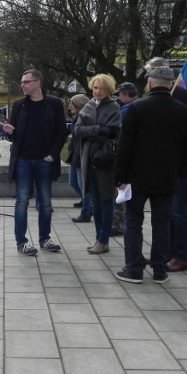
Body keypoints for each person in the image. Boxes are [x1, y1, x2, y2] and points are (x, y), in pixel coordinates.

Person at [113, 66, 187, 284]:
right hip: (167, 177)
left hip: (137, 176)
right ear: (169, 84)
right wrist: (178, 172)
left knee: (133, 223)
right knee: (161, 225)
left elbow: (125, 146)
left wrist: (119, 177)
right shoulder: (181, 110)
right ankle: (160, 270)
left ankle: (134, 269)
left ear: (150, 83)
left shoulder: (136, 108)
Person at [144, 57, 187, 273]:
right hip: (157, 164)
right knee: (163, 213)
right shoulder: (150, 98)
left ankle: (180, 256)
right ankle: (164, 253)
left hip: (177, 165)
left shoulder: (182, 96)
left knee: (178, 212)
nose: (148, 79)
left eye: (150, 74)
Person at [3, 69, 69, 256]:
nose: (22, 85)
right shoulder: (19, 105)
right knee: (22, 201)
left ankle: (45, 239)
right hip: (23, 159)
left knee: (46, 202)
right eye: (22, 82)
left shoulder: (54, 104)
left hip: (44, 160)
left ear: (38, 83)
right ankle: (21, 242)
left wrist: (52, 154)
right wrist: (9, 132)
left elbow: (61, 132)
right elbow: (14, 136)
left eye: (26, 81)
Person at [74, 74, 120, 255]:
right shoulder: (88, 106)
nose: (98, 91)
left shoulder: (114, 107)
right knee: (95, 203)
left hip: (105, 160)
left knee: (106, 201)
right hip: (88, 160)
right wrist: (97, 129)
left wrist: (92, 131)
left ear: (108, 89)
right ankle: (99, 239)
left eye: (101, 88)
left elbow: (111, 132)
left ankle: (103, 239)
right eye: (95, 88)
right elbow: (77, 130)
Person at [110, 81, 139, 236]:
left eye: (120, 94)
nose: (118, 98)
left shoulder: (127, 110)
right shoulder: (141, 105)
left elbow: (120, 132)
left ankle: (118, 224)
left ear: (126, 94)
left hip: (126, 156)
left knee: (121, 193)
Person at [67, 94, 92, 223]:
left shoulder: (84, 118)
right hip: (75, 154)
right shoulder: (75, 117)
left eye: (72, 103)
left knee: (83, 185)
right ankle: (86, 202)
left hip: (82, 155)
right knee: (73, 182)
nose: (69, 106)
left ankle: (87, 211)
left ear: (79, 105)